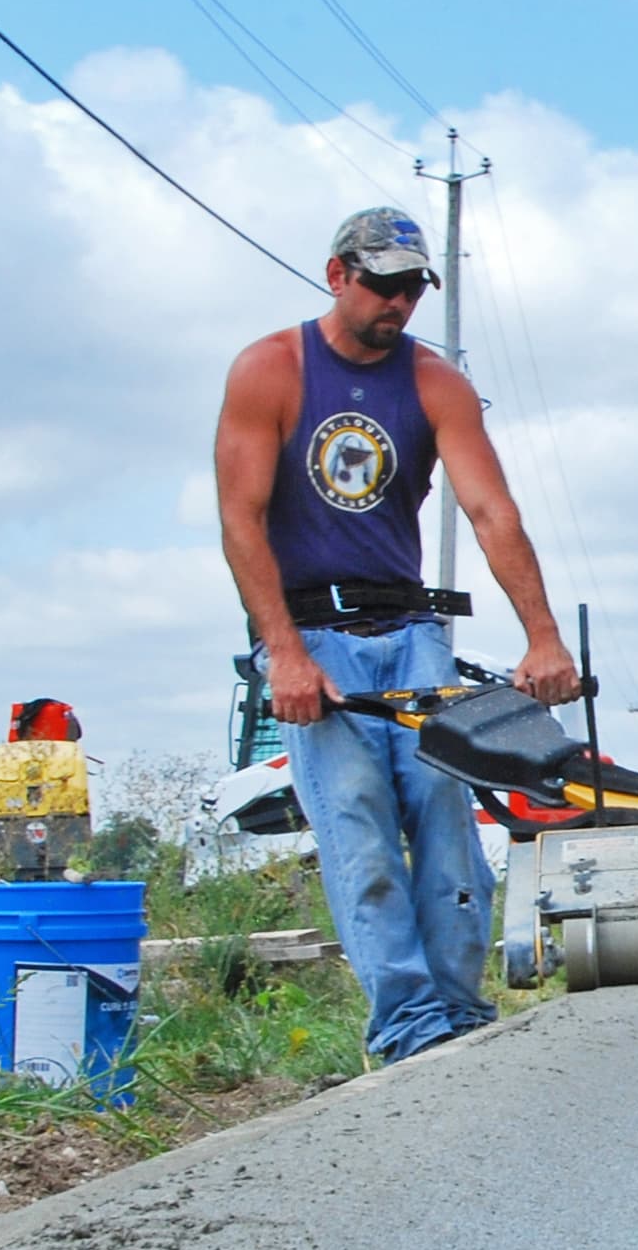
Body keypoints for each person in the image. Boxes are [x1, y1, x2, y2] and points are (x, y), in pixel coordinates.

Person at [212, 205, 582, 1064]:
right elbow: (242, 520)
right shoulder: (269, 370)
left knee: (445, 813)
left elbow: (491, 511)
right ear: (337, 274)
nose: (398, 303)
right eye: (381, 284)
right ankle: (409, 1025)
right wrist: (287, 653)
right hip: (313, 632)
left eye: (412, 287)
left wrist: (543, 638)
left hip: (412, 626)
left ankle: (458, 1013)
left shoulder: (433, 383)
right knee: (358, 824)